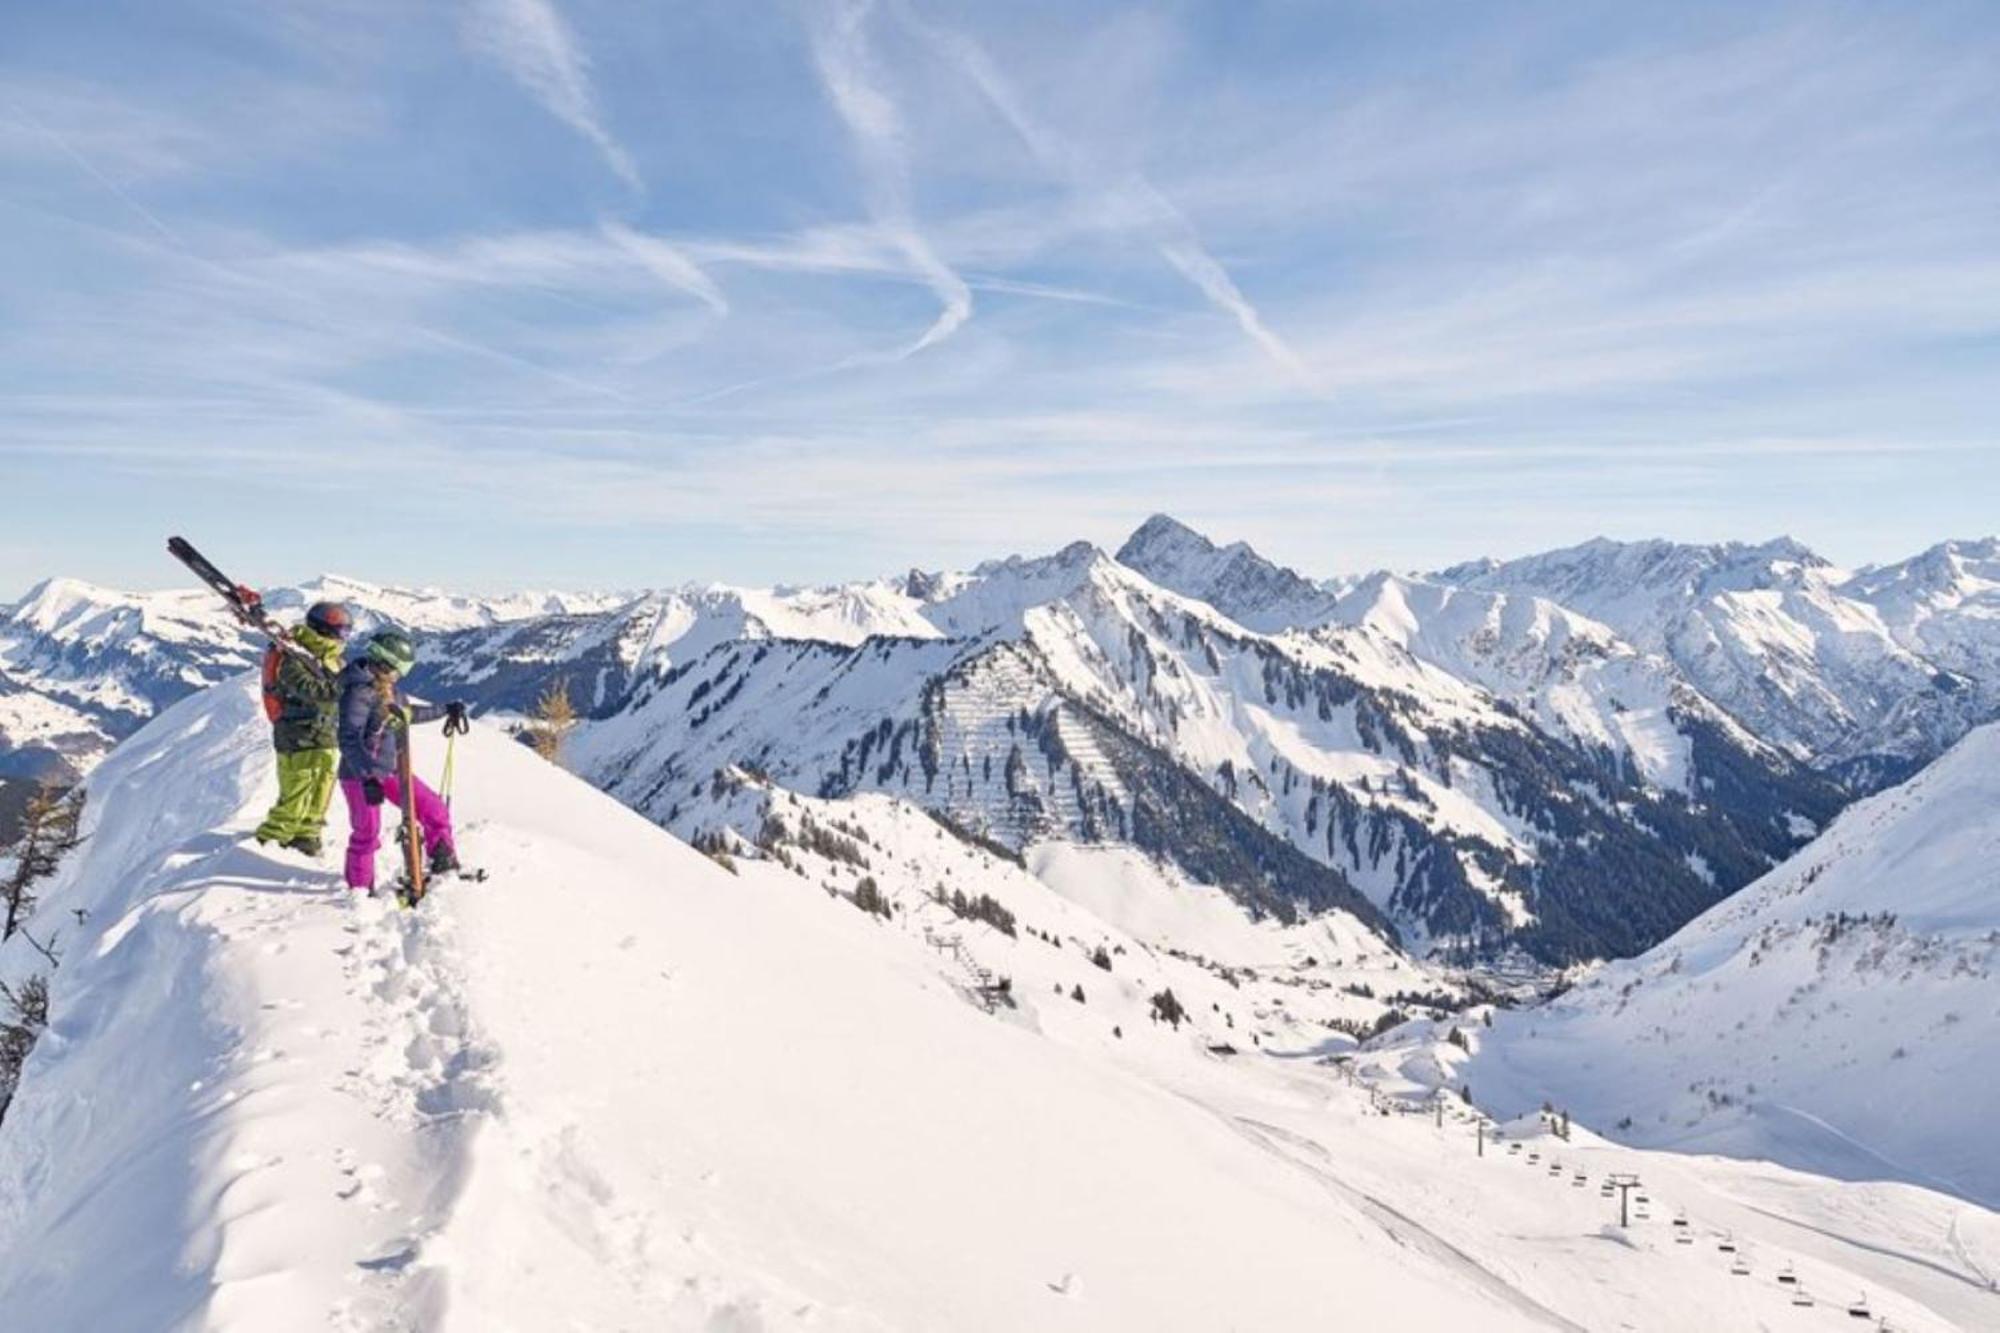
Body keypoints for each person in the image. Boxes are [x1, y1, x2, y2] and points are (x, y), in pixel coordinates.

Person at [336, 629, 469, 893]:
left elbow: (406, 714)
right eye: (399, 669)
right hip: (359, 775)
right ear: (386, 664)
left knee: (434, 810)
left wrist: (445, 710)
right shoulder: (359, 692)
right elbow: (348, 738)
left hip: (392, 770)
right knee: (367, 834)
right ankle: (360, 891)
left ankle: (443, 862)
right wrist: (368, 776)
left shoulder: (389, 692)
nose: (400, 675)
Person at [253, 600, 351, 856]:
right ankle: (270, 840)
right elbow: (310, 690)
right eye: (341, 631)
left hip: (326, 733)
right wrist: (347, 685)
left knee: (322, 786)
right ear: (325, 631)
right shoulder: (293, 656)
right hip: (297, 733)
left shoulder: (331, 659)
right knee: (297, 788)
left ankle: (307, 833)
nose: (345, 637)